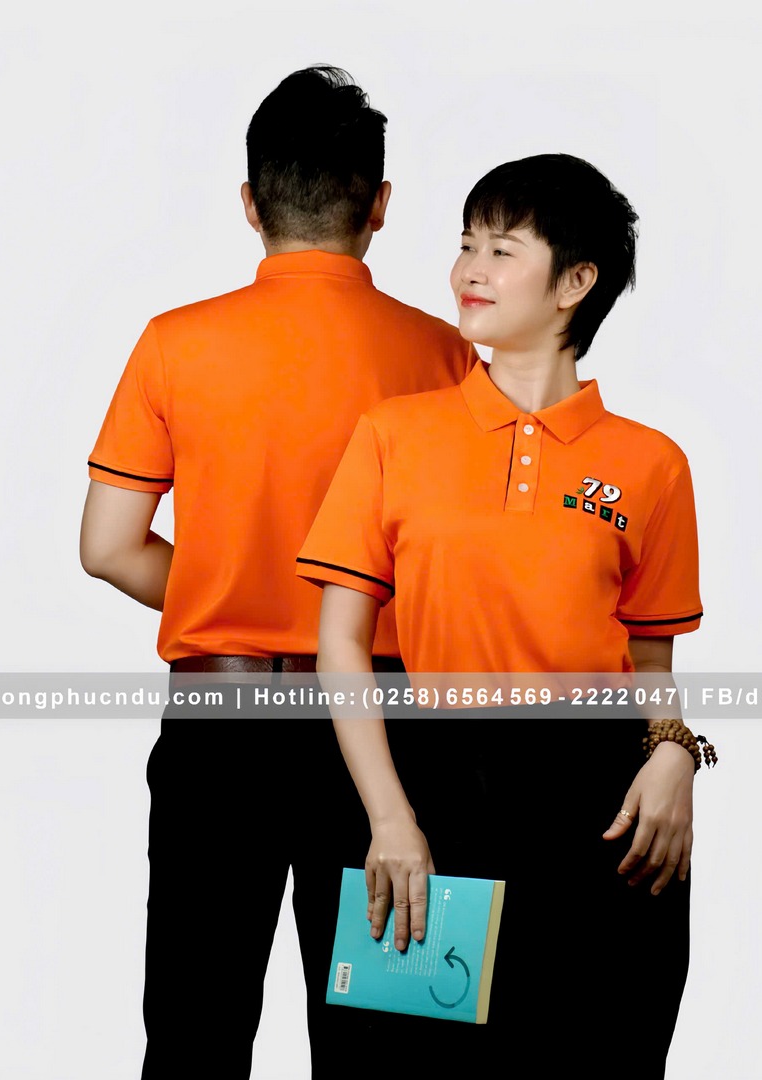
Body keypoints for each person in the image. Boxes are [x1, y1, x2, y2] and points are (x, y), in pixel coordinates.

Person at [79, 67, 474, 1078]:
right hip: (388, 734)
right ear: (379, 205)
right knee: (390, 1040)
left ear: (252, 203)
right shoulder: (446, 357)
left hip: (221, 730)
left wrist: (223, 585)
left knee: (194, 1036)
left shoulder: (174, 344)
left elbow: (110, 546)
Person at [297, 153, 705, 1076]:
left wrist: (675, 753)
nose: (469, 270)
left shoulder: (652, 464)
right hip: (435, 787)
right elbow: (342, 644)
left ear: (575, 282)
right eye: (466, 244)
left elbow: (651, 662)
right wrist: (390, 819)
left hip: (602, 810)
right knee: (411, 1065)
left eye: (501, 249)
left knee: (598, 1057)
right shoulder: (394, 435)